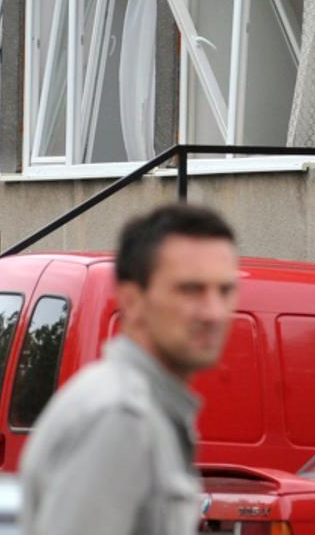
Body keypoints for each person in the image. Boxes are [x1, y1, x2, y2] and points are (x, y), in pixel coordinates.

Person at [21, 204, 239, 535]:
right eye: (190, 290)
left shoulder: (142, 408)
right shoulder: (121, 417)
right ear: (132, 301)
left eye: (225, 290)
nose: (214, 312)